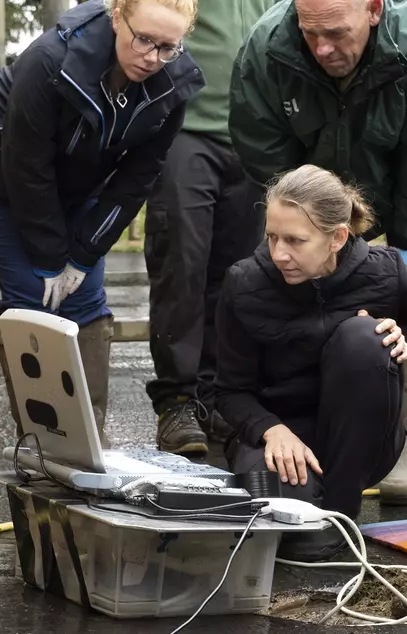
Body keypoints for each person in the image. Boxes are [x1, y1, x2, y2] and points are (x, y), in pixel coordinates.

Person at [228, 0, 407, 505]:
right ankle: (304, 420)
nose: (321, 48)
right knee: (286, 278)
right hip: (309, 195)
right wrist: (301, 227)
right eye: (310, 32)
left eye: (337, 33)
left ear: (375, 10)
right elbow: (262, 148)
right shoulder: (267, 46)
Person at [0, 0, 203, 447]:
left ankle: (87, 447)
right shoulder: (49, 61)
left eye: (168, 47)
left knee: (85, 299)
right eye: (143, 39)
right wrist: (49, 257)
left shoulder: (172, 86)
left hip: (79, 179)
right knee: (32, 295)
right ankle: (44, 446)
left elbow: (137, 178)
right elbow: (26, 168)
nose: (152, 57)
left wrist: (84, 253)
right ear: (117, 16)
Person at [214, 164, 407, 561]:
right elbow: (226, 390)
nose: (279, 254)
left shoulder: (384, 270)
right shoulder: (244, 282)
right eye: (272, 237)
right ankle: (315, 511)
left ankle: (343, 511)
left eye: (295, 241)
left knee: (364, 337)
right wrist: (270, 430)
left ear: (337, 237)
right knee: (297, 537)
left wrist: (405, 335)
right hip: (278, 438)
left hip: (359, 435)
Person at [144, 0, 281, 457]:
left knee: (241, 273)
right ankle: (178, 401)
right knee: (181, 263)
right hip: (187, 127)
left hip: (253, 135)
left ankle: (218, 395)